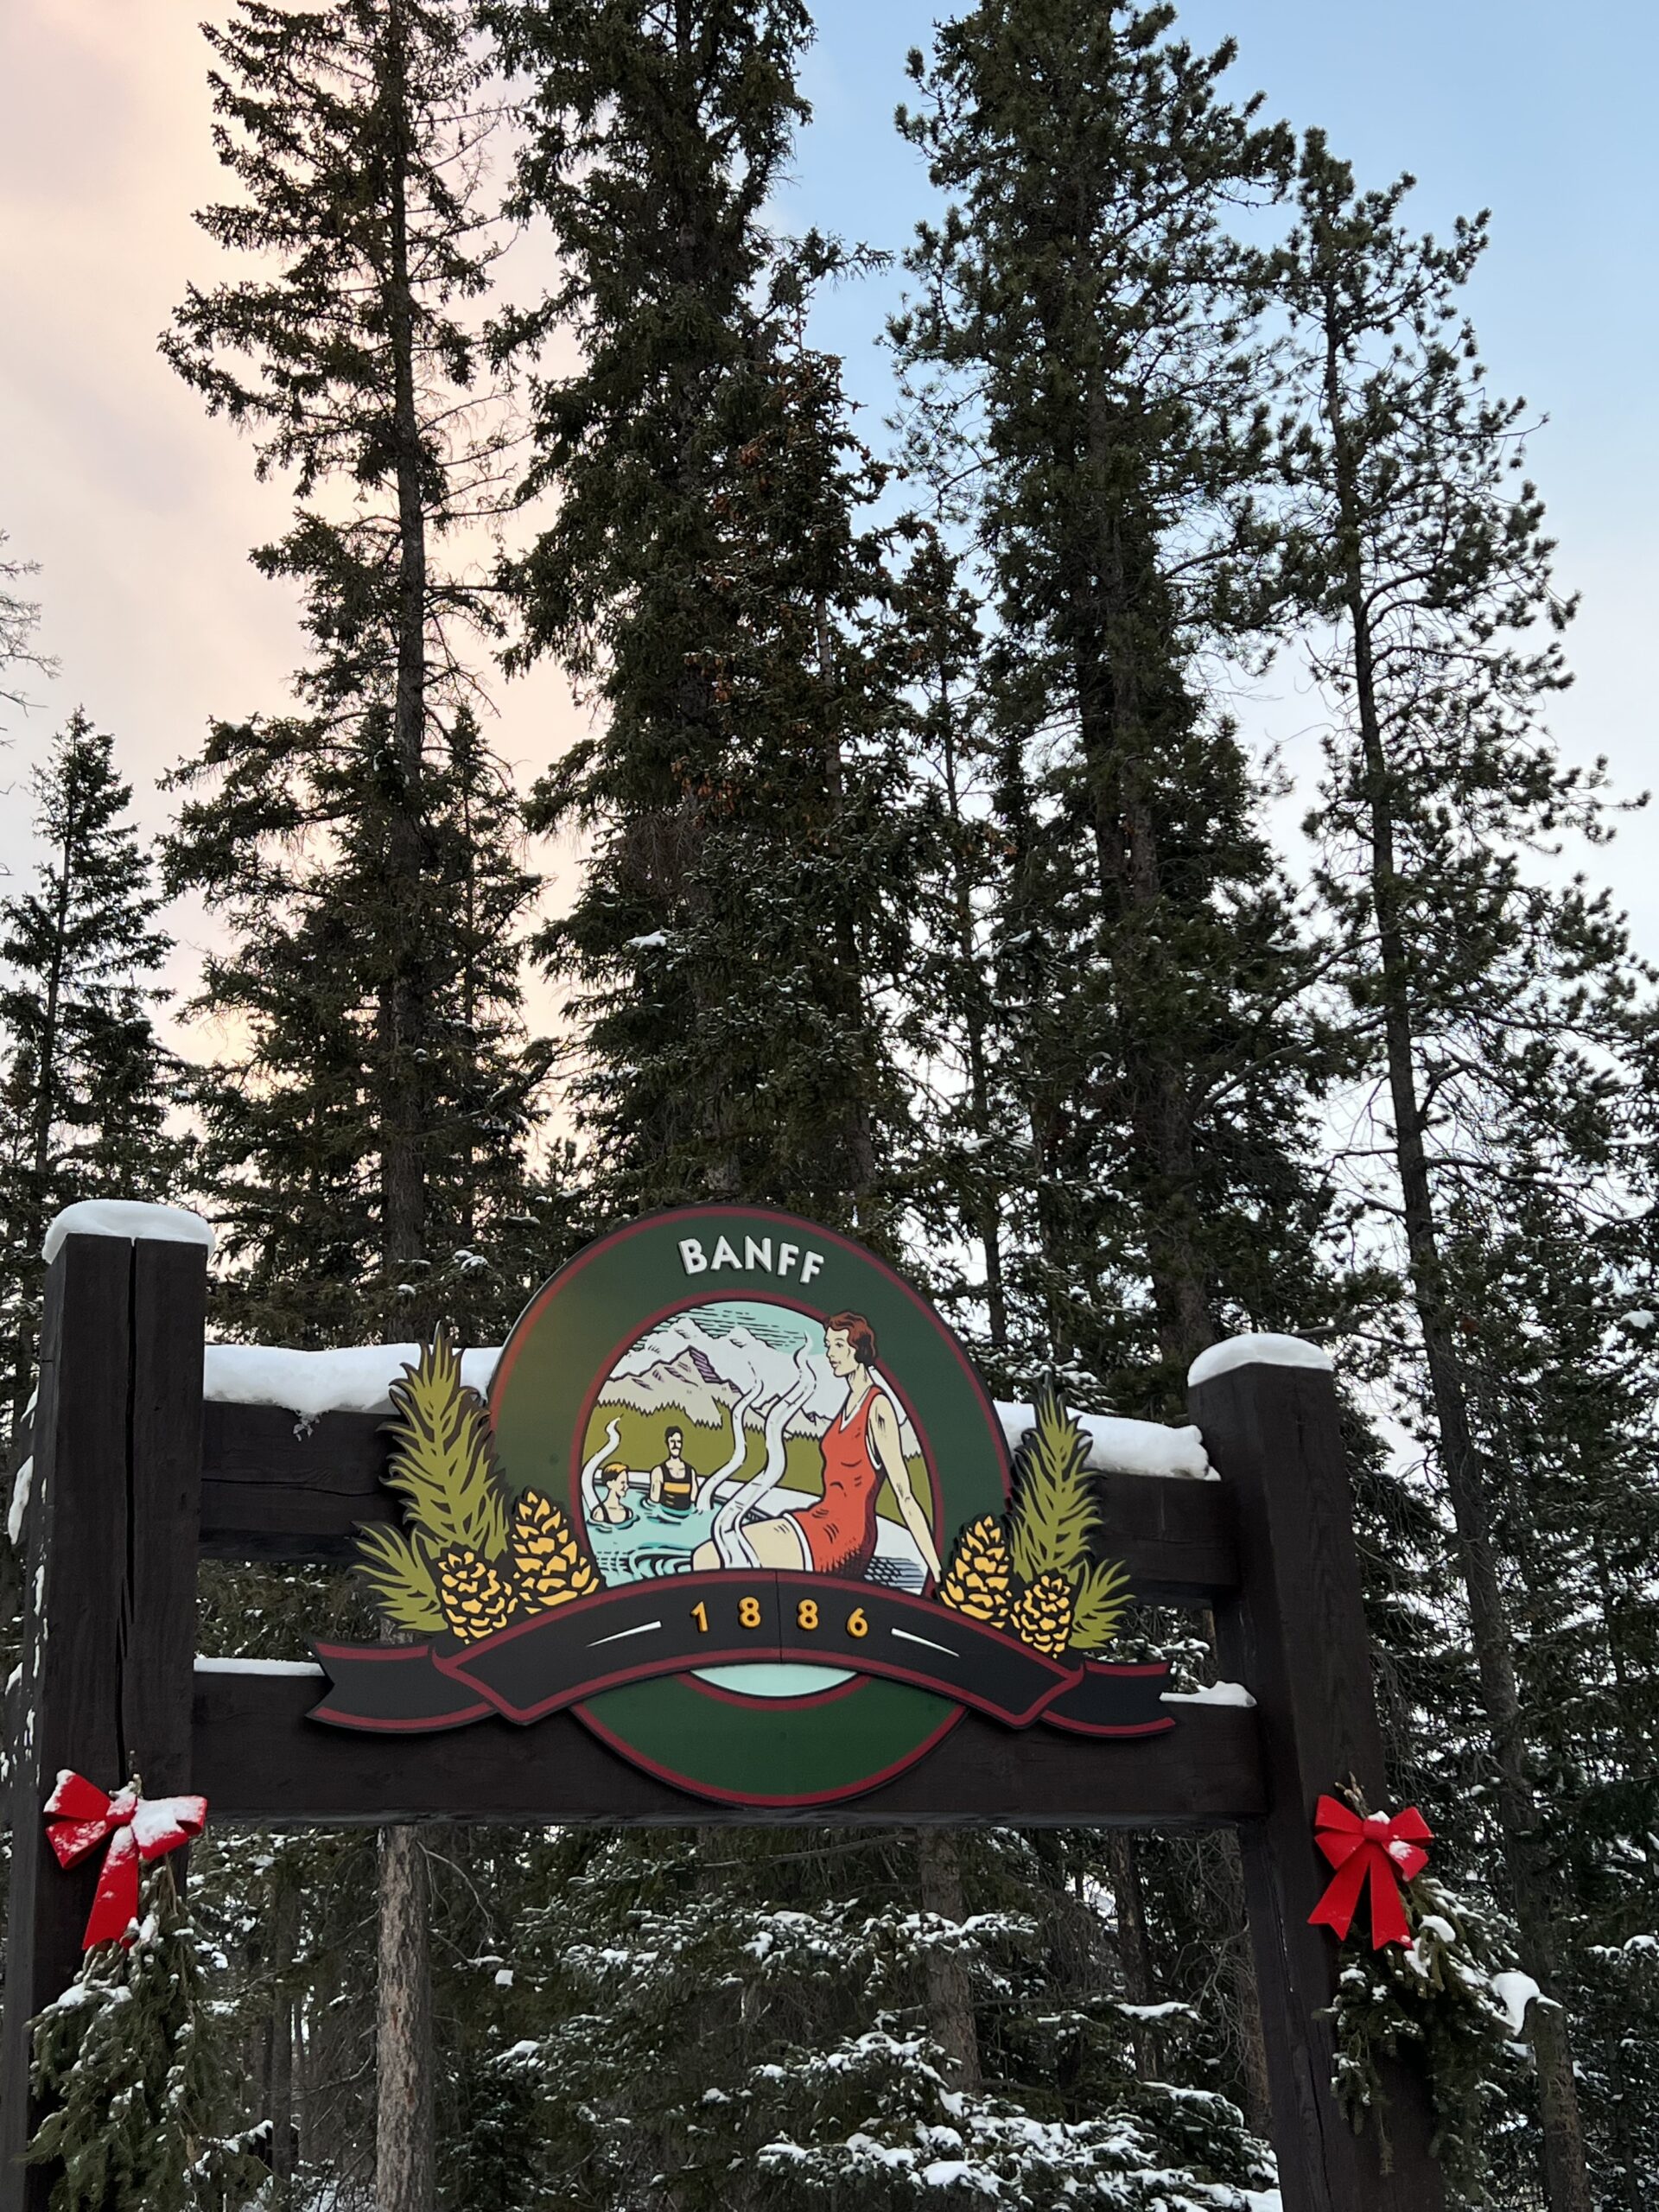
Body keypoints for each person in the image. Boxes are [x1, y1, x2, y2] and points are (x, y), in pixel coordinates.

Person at [692, 1313, 941, 1582]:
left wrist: (937, 1572)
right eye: (828, 1345)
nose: (830, 1354)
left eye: (838, 1346)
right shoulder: (849, 1401)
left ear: (858, 1349)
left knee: (712, 1559)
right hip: (818, 1519)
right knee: (708, 1554)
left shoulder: (878, 1407)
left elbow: (905, 1495)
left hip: (845, 1538)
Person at [649, 1426, 700, 1512]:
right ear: (667, 1443)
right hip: (664, 1519)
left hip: (685, 1518)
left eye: (679, 1442)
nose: (676, 1445)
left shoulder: (691, 1472)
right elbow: (654, 1501)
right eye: (672, 1441)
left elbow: (694, 1502)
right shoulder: (658, 1472)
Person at [597, 1461, 633, 1526]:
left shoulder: (629, 1513)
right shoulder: (600, 1514)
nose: (627, 1487)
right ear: (610, 1484)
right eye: (622, 1483)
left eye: (627, 1483)